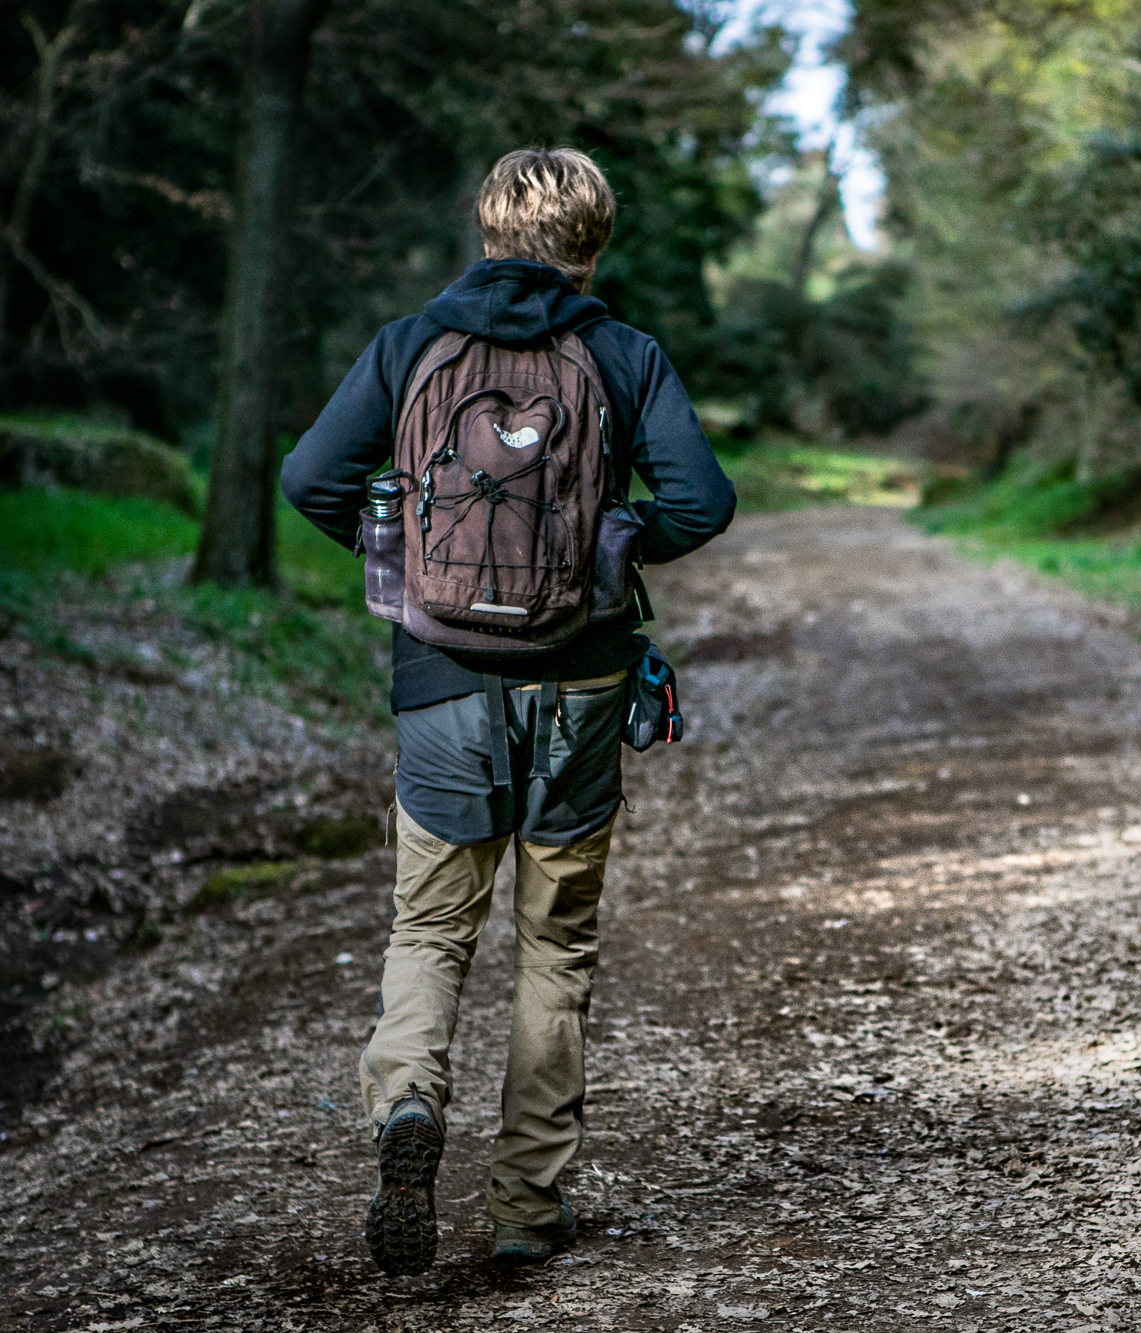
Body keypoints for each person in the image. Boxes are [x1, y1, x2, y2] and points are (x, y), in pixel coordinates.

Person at [281, 147, 734, 1275]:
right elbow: (701, 499)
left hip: (437, 680)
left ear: (485, 231)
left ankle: (405, 1108)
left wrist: (405, 563)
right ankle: (529, 1207)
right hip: (579, 683)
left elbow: (310, 478)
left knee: (430, 928)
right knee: (555, 946)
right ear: (593, 245)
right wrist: (608, 550)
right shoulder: (622, 354)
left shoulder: (411, 344)